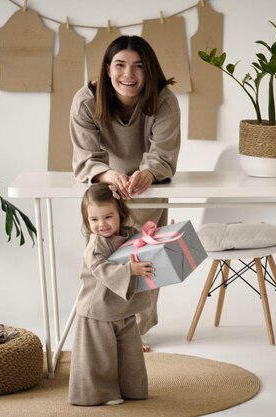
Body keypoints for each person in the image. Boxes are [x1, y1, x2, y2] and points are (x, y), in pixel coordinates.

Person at [70, 35, 181, 350]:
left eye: (138, 67)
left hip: (149, 183)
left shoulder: (164, 100)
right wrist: (109, 175)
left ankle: (135, 331)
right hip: (104, 186)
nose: (128, 75)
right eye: (120, 65)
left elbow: (163, 154)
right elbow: (85, 157)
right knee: (102, 256)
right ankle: (98, 324)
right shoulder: (86, 100)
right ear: (107, 69)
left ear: (149, 71)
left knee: (147, 257)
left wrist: (146, 173)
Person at [68, 183, 154, 406]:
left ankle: (131, 389)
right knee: (100, 357)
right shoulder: (95, 247)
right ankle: (101, 394)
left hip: (122, 308)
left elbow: (142, 243)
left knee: (130, 355)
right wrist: (129, 270)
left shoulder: (128, 235)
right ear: (87, 221)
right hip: (98, 309)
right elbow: (101, 269)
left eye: (108, 217)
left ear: (120, 215)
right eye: (94, 220)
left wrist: (159, 237)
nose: (102, 224)